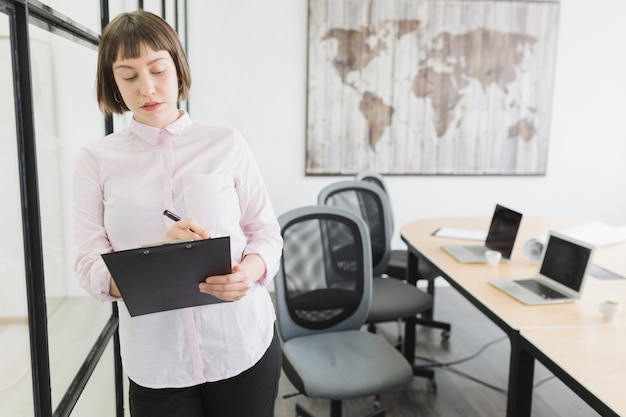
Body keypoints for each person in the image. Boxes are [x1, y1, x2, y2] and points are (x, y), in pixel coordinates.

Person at [73, 10, 283, 417]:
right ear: (112, 81)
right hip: (158, 363)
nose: (147, 88)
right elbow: (88, 265)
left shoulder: (227, 143)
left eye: (158, 70)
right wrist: (157, 259)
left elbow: (266, 234)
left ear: (178, 67)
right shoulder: (95, 161)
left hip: (241, 343)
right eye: (129, 76)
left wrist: (249, 273)